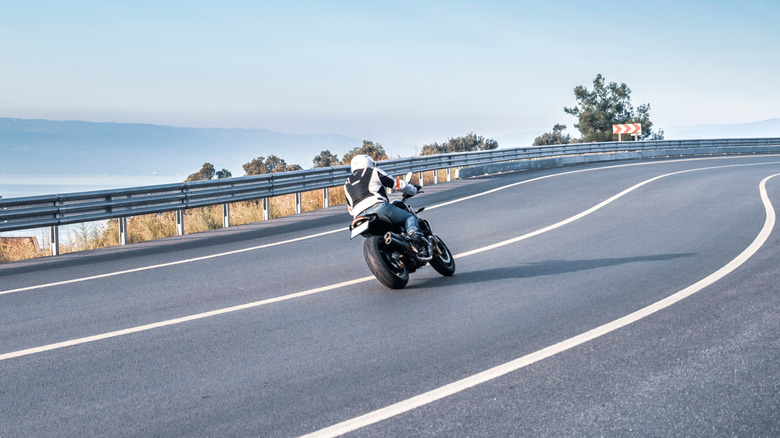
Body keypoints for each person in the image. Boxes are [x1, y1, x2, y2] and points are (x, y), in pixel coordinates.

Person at [344, 154, 429, 255]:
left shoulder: (346, 184)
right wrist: (413, 190)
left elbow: (350, 209)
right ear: (370, 163)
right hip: (377, 206)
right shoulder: (373, 171)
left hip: (358, 217)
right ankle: (414, 236)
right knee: (409, 218)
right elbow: (397, 184)